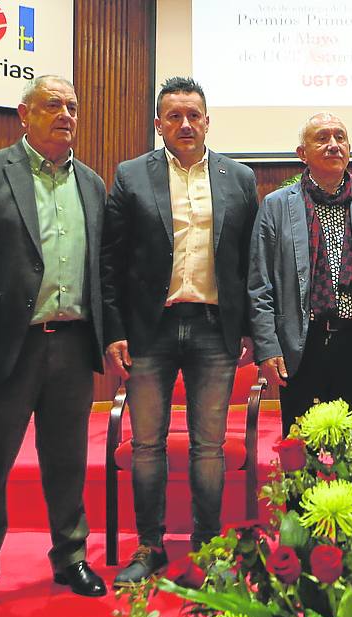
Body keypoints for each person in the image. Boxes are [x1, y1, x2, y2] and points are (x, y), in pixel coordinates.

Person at [0, 75, 109, 617]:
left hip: (71, 343)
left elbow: (100, 269)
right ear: (25, 113)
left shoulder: (92, 183)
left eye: (72, 105)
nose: (65, 114)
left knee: (66, 462)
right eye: (52, 106)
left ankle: (70, 557)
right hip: (3, 344)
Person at [101, 77, 259, 587]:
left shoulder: (239, 178)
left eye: (194, 115)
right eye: (174, 116)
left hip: (216, 330)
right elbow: (111, 262)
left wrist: (253, 330)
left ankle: (208, 546)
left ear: (208, 120)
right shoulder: (130, 176)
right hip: (150, 330)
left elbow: (249, 264)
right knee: (146, 444)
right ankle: (149, 546)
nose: (185, 124)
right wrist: (114, 329)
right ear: (158, 124)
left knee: (208, 446)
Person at [248, 113, 352, 433]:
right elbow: (260, 283)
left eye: (340, 137)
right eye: (322, 138)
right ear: (302, 153)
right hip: (301, 343)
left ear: (350, 148)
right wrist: (268, 347)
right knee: (302, 448)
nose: (333, 145)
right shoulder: (277, 205)